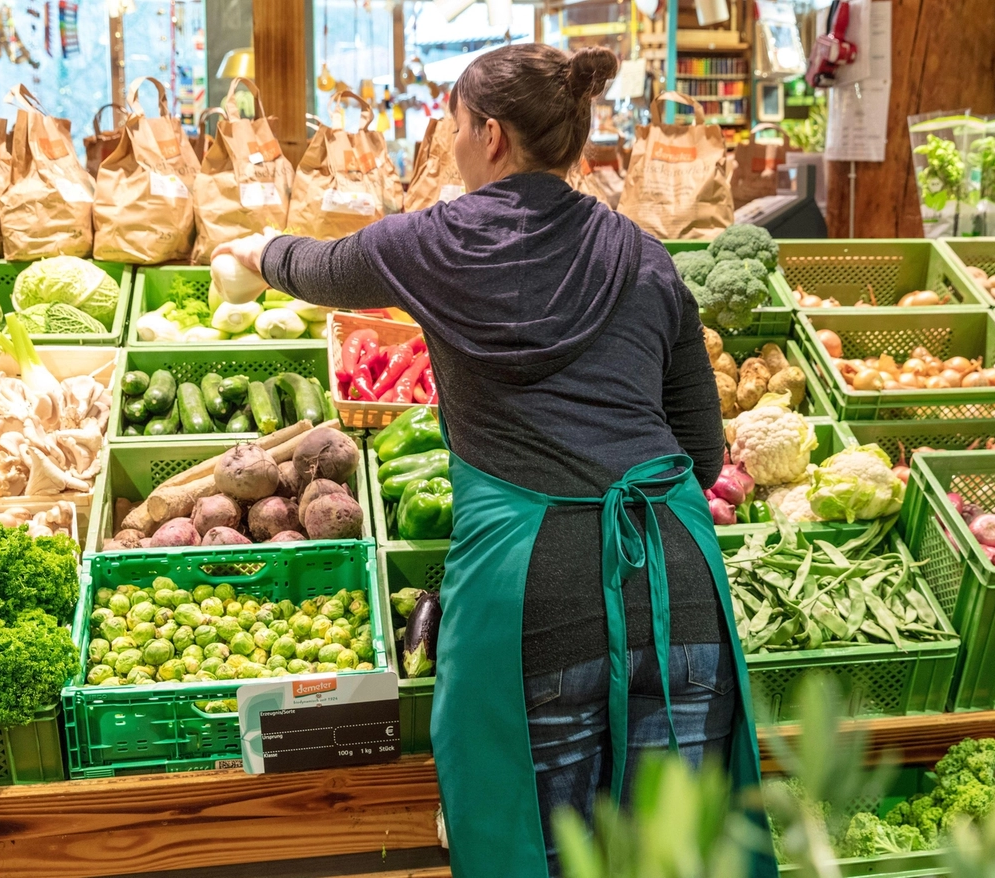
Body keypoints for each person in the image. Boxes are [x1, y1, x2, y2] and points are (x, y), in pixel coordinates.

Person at [214, 43, 775, 878]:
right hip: (679, 587)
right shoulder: (646, 256)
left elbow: (314, 264)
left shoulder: (435, 243)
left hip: (533, 606)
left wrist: (251, 252)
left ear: (490, 134)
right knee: (676, 863)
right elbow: (698, 450)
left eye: (453, 126)